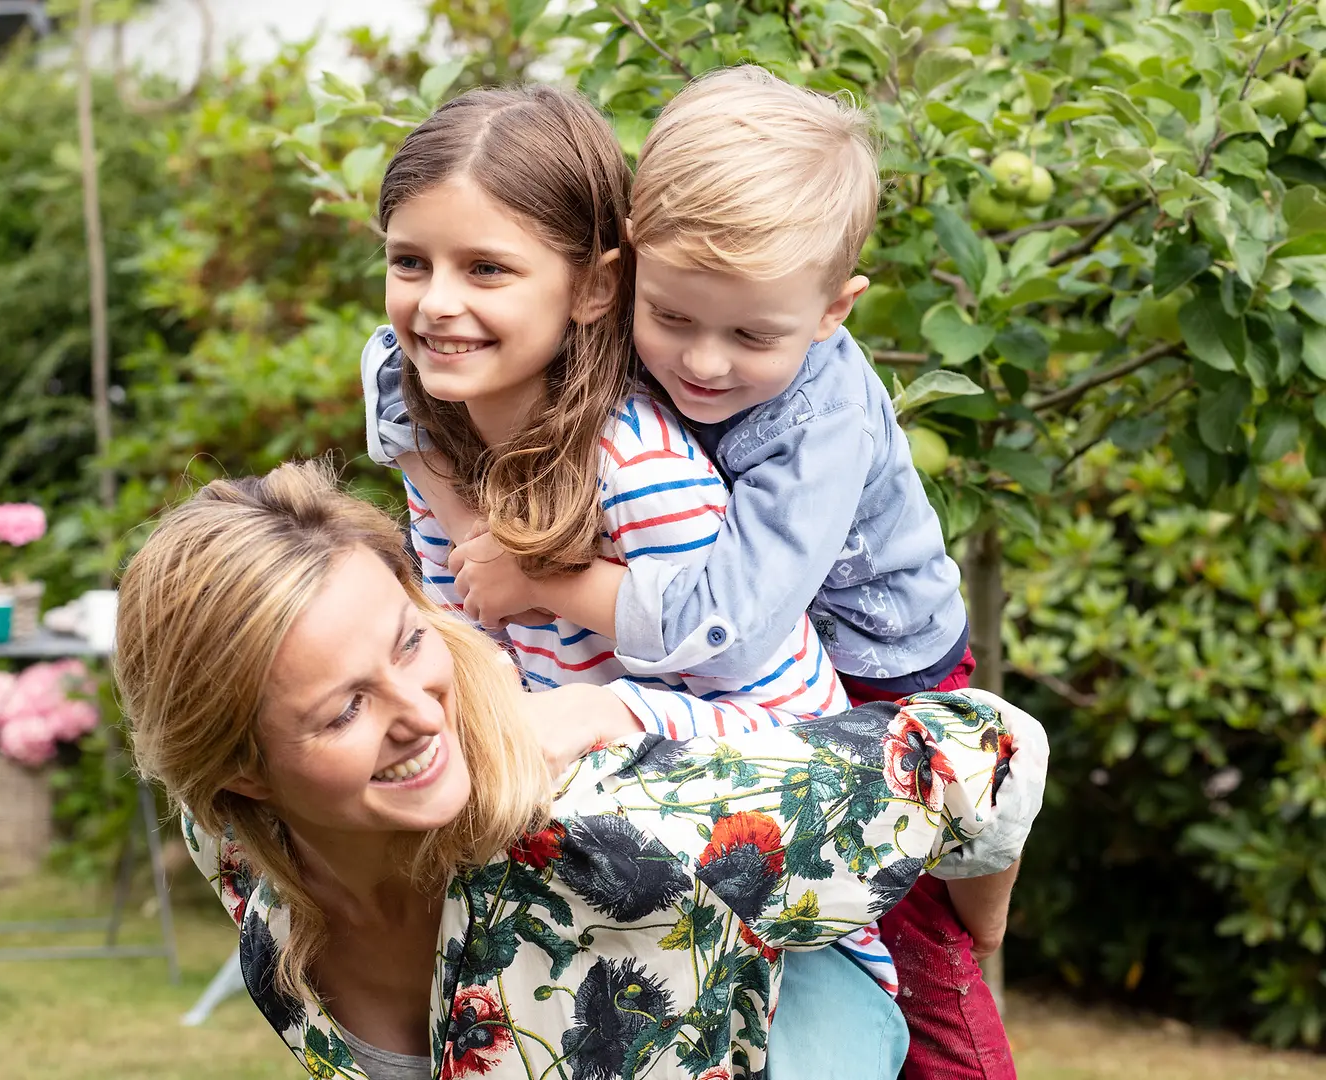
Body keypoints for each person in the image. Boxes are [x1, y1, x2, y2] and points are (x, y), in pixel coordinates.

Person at [365, 68, 1015, 1077]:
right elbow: (400, 353)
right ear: (622, 281)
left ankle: (987, 872)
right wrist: (442, 485)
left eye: (752, 335)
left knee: (928, 935)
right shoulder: (613, 355)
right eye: (670, 319)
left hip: (879, 657)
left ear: (834, 311)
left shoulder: (816, 420)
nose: (703, 364)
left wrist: (544, 583)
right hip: (737, 658)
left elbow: (736, 626)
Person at [114, 458, 1049, 1080]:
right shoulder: (241, 853)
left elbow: (986, 745)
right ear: (241, 775)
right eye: (345, 708)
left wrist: (981, 928)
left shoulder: (629, 834)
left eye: (408, 643)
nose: (418, 713)